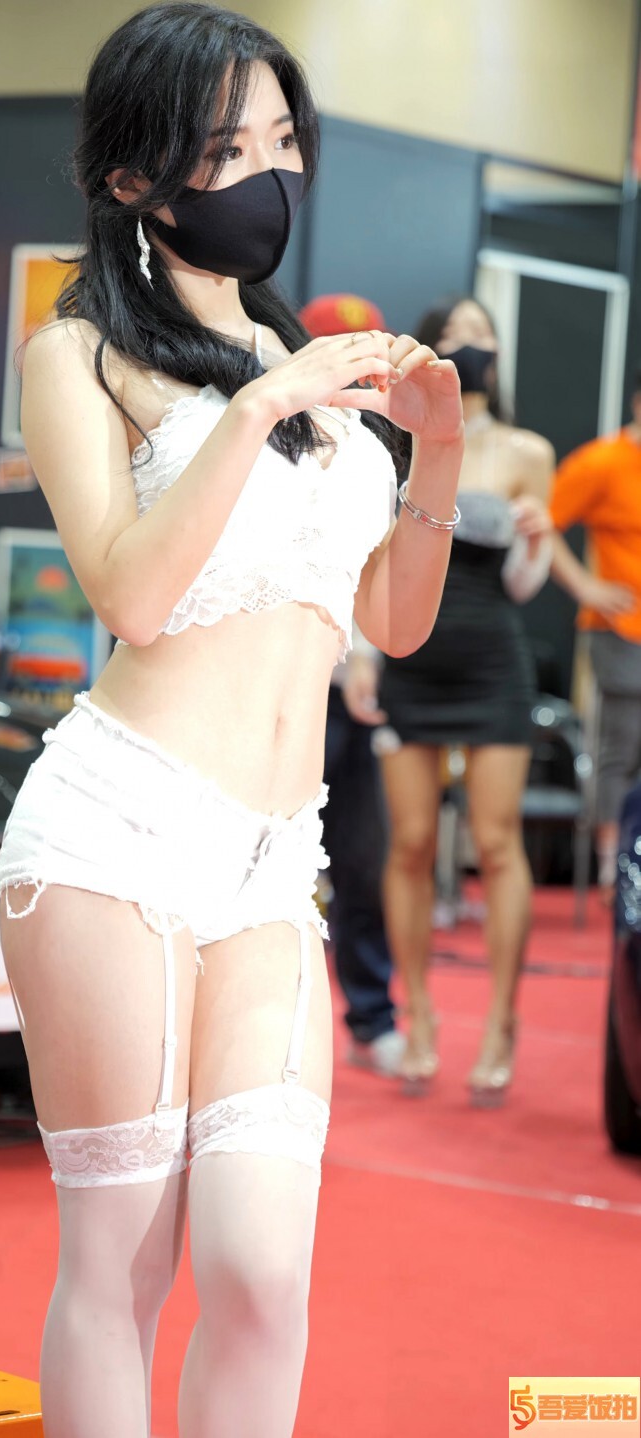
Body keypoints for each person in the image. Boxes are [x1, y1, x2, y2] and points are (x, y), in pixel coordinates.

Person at [0, 8, 463, 1436]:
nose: (266, 175)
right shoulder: (77, 354)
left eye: (279, 143)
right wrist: (261, 403)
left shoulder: (299, 364)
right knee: (123, 1263)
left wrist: (433, 450)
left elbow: (390, 621)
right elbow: (131, 593)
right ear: (135, 173)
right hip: (114, 836)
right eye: (226, 149)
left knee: (263, 1275)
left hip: (270, 863)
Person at [378, 296, 554, 1107]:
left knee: (496, 840)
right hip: (407, 654)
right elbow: (370, 554)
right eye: (456, 335)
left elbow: (524, 585)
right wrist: (360, 659)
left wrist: (537, 544)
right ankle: (417, 1016)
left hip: (491, 657)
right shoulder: (394, 435)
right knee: (411, 842)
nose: (472, 346)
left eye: (483, 336)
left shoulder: (526, 450)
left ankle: (500, 1025)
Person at [298, 292, 406, 1077]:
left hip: (348, 695)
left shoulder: (379, 450)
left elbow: (380, 570)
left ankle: (371, 1012)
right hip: (271, 688)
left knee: (362, 860)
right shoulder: (266, 429)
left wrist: (364, 657)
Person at [548, 373, 641, 899]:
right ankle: (613, 867)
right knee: (621, 745)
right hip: (621, 629)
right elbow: (542, 520)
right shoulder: (602, 462)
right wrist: (586, 586)